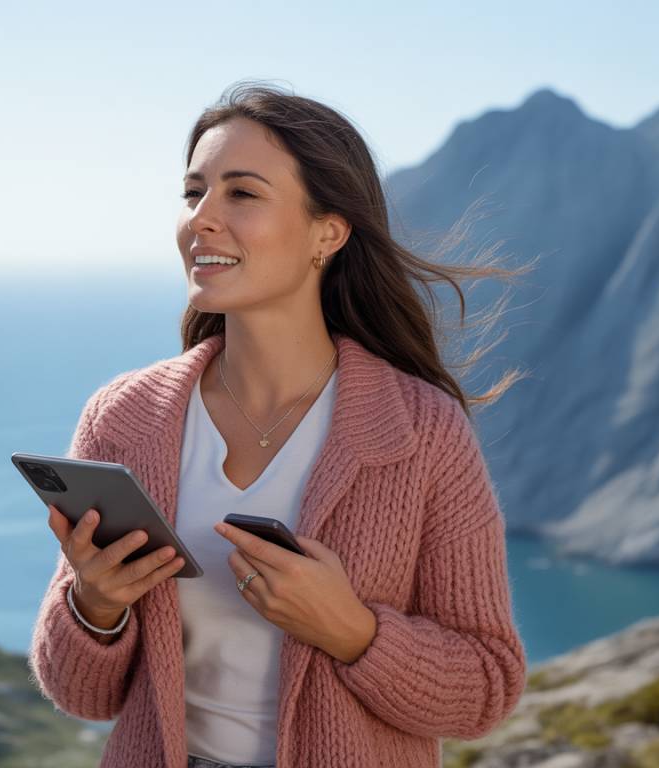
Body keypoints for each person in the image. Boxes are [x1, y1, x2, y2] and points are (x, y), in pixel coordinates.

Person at [29, 80, 530, 768]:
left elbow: (486, 688)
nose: (201, 218)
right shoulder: (124, 418)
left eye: (242, 193)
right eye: (193, 193)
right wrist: (95, 605)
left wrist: (351, 630)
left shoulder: (422, 432)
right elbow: (79, 694)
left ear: (328, 231)